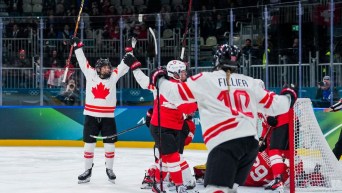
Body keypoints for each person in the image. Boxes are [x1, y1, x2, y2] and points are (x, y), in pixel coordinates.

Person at [136, 44, 298, 193]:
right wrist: (289, 95)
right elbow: (278, 105)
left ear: (217, 60)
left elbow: (174, 94)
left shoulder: (205, 79)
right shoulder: (250, 83)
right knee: (229, 189)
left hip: (226, 143)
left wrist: (160, 79)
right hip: (250, 147)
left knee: (216, 190)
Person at [124, 47, 197, 192]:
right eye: (182, 72)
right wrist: (135, 66)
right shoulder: (162, 85)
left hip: (175, 127)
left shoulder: (174, 85)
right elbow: (143, 81)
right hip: (161, 127)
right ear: (174, 74)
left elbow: (188, 109)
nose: (185, 74)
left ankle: (157, 184)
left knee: (165, 158)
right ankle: (178, 185)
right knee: (173, 157)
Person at [71, 37, 130, 184]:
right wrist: (77, 46)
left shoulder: (113, 77)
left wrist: (130, 50)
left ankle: (109, 169)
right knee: (89, 144)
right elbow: (82, 61)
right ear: (98, 69)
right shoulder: (90, 74)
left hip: (108, 117)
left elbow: (124, 66)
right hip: (91, 116)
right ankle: (87, 170)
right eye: (104, 67)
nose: (108, 69)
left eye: (108, 67)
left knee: (110, 144)